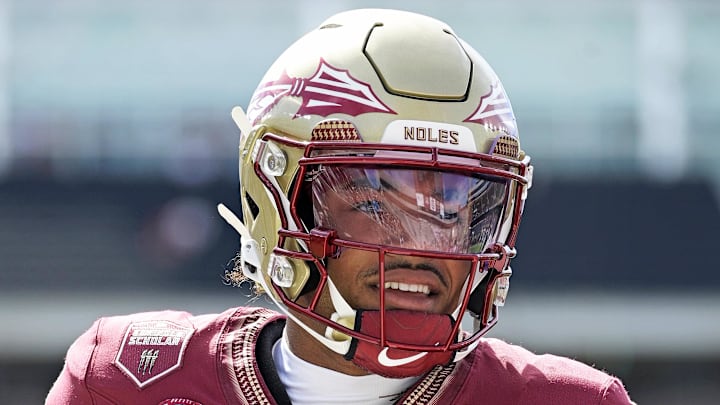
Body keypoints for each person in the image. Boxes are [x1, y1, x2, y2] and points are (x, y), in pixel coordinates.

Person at [46, 8, 634, 404]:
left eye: (452, 209)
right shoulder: (122, 383)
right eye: (375, 204)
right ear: (277, 199)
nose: (420, 247)